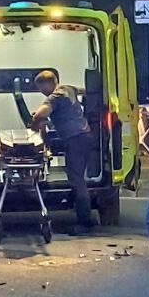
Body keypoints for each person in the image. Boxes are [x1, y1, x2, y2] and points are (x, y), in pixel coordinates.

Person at [30, 70, 96, 236]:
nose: (42, 92)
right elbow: (85, 91)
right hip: (85, 136)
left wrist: (34, 121)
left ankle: (85, 222)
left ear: (49, 83)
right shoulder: (69, 88)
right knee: (78, 176)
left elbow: (41, 112)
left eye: (41, 88)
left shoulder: (55, 96)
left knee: (76, 180)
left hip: (75, 139)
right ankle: (81, 213)